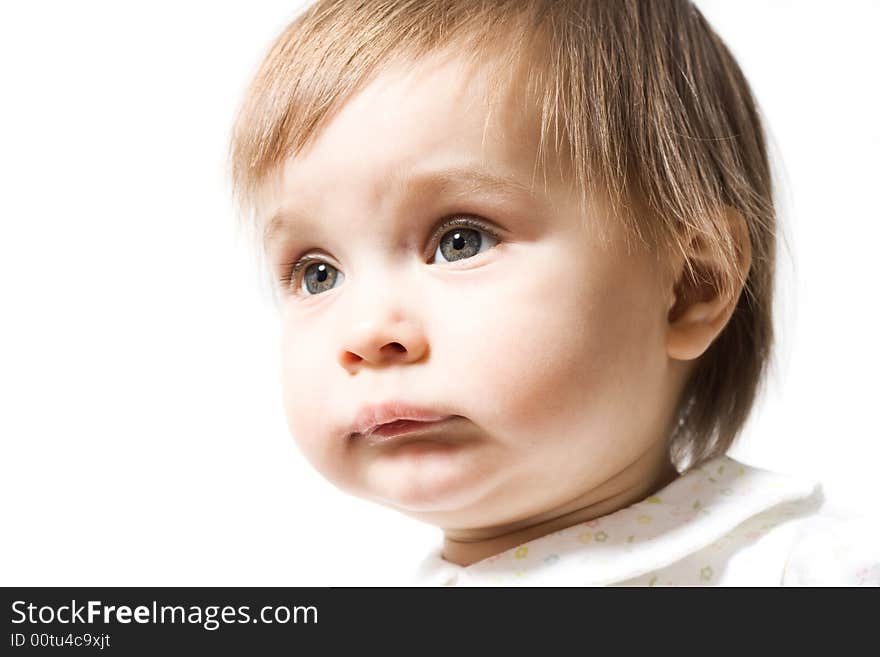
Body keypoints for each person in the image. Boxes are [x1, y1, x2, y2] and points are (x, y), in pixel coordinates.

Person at [227, 0, 878, 585]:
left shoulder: (803, 571)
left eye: (462, 240)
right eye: (318, 272)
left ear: (688, 286)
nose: (367, 331)